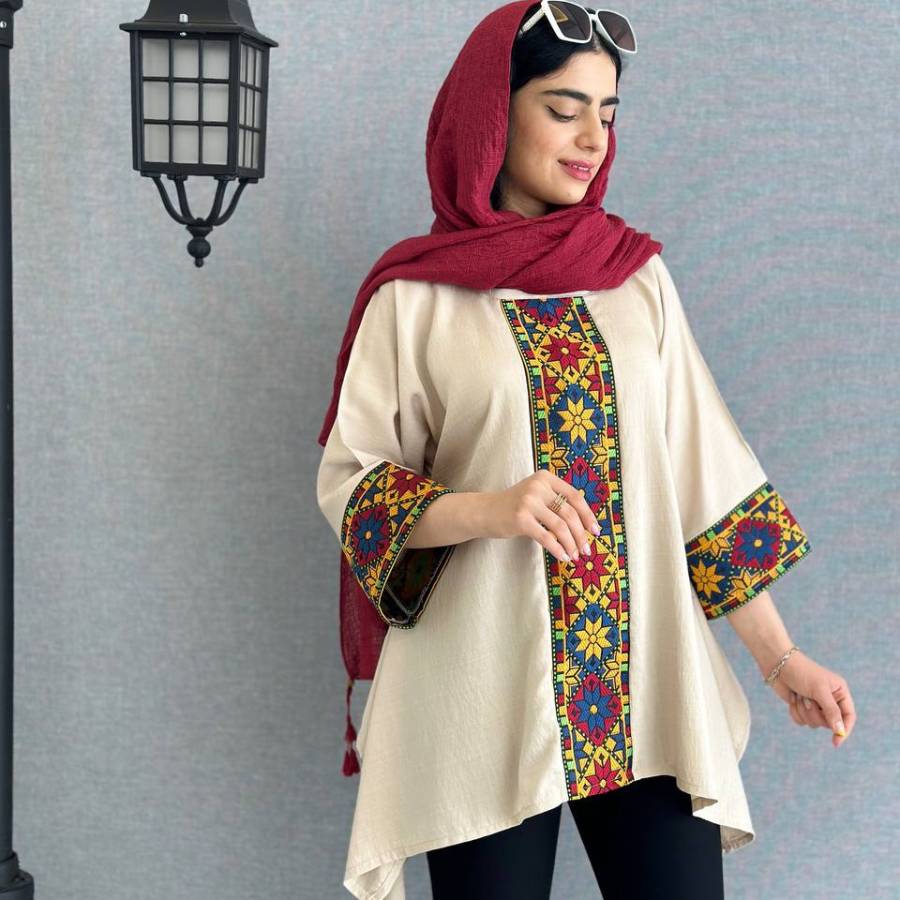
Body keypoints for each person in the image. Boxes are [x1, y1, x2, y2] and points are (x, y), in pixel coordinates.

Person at [315, 3, 857, 898]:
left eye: (607, 113)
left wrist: (780, 659)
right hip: (481, 688)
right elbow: (354, 485)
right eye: (564, 109)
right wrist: (493, 508)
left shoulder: (634, 278)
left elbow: (703, 477)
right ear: (493, 114)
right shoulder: (414, 299)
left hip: (646, 682)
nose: (592, 139)